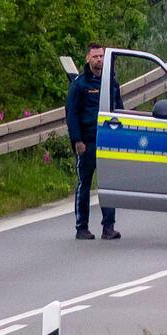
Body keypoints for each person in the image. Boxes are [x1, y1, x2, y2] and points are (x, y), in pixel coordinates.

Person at [63, 44, 118, 241]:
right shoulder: (79, 84)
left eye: (101, 56)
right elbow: (71, 114)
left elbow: (118, 110)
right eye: (95, 56)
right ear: (88, 58)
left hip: (108, 141)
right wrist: (77, 140)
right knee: (84, 185)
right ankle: (82, 227)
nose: (99, 60)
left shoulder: (111, 82)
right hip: (87, 142)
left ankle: (109, 227)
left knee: (109, 184)